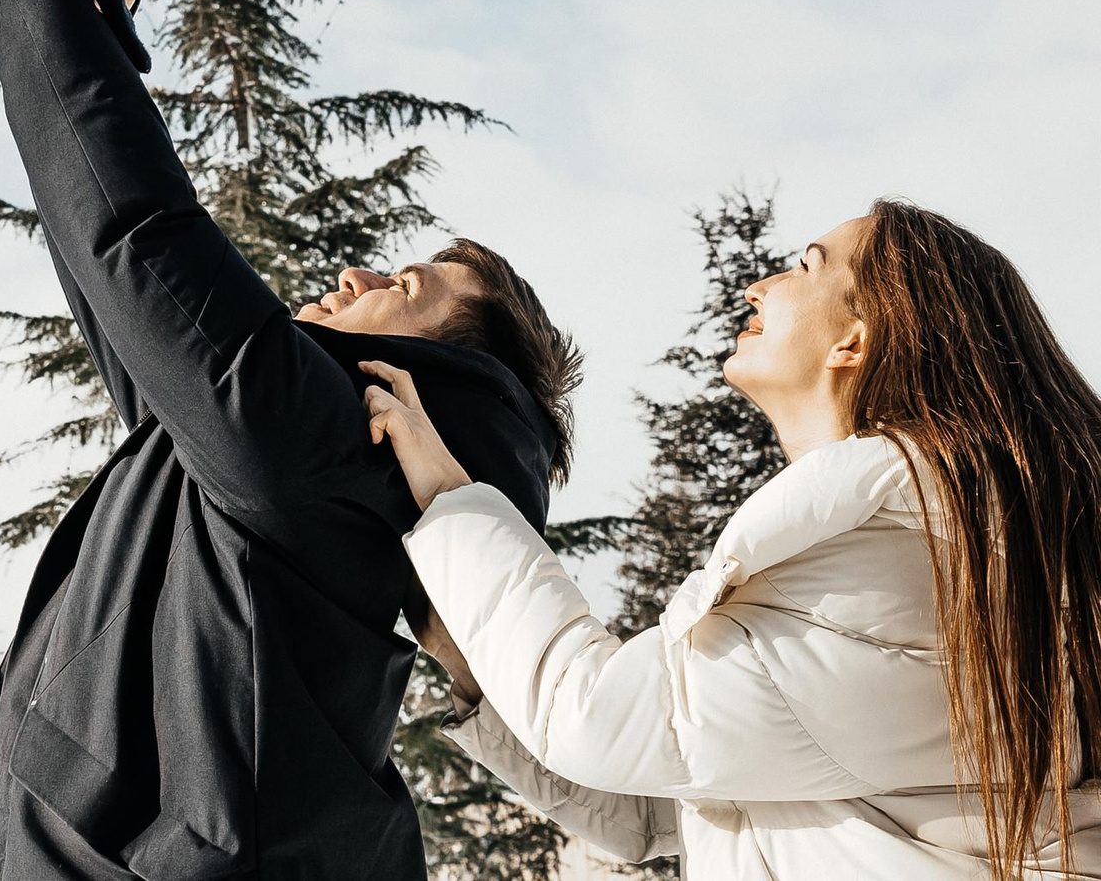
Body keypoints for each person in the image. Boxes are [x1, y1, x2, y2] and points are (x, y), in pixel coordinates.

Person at [0, 0, 583, 881]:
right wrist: (87, 10)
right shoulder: (298, 463)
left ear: (443, 369)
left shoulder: (331, 438)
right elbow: (115, 279)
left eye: (405, 285)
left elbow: (138, 234)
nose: (359, 272)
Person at [364, 199, 1101, 879]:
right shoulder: (935, 537)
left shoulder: (906, 560)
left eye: (805, 266)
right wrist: (468, 662)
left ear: (855, 339)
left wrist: (455, 502)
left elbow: (596, 719)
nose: (759, 287)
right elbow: (659, 801)